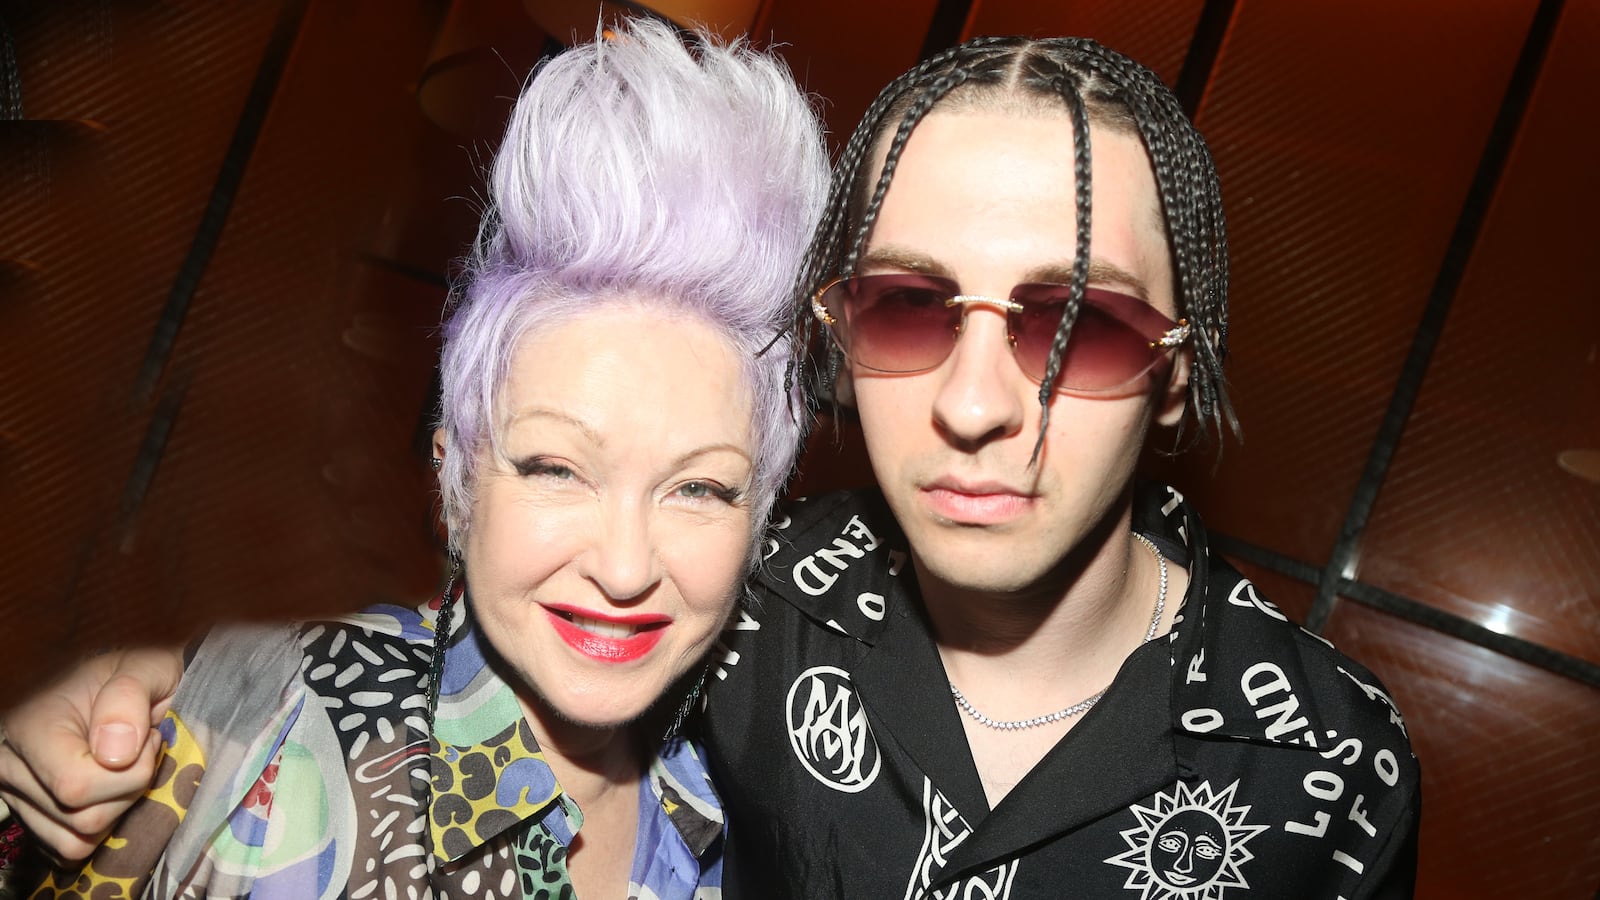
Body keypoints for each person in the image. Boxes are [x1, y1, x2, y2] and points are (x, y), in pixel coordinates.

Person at [2, 34, 1421, 900]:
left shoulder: (1331, 766)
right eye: (911, 305)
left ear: (1177, 365)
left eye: (1082, 325)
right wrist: (141, 702)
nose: (982, 403)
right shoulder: (745, 615)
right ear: (835, 332)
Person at [0, 18, 826, 899]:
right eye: (554, 468)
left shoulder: (736, 811)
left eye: (698, 487)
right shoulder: (276, 729)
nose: (624, 568)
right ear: (455, 479)